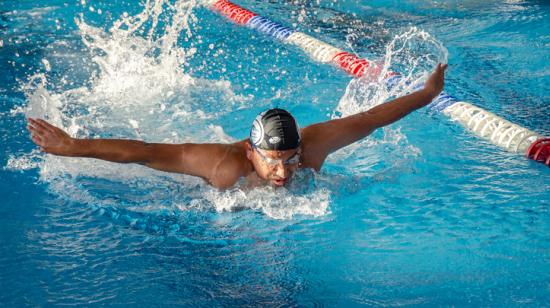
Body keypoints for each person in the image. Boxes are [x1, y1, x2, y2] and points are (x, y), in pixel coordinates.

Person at [27, 63, 448, 189]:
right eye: (273, 161)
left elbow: (371, 118)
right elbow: (145, 151)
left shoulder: (314, 147)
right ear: (251, 151)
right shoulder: (222, 164)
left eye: (290, 158)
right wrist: (74, 146)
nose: (284, 171)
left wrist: (427, 95)